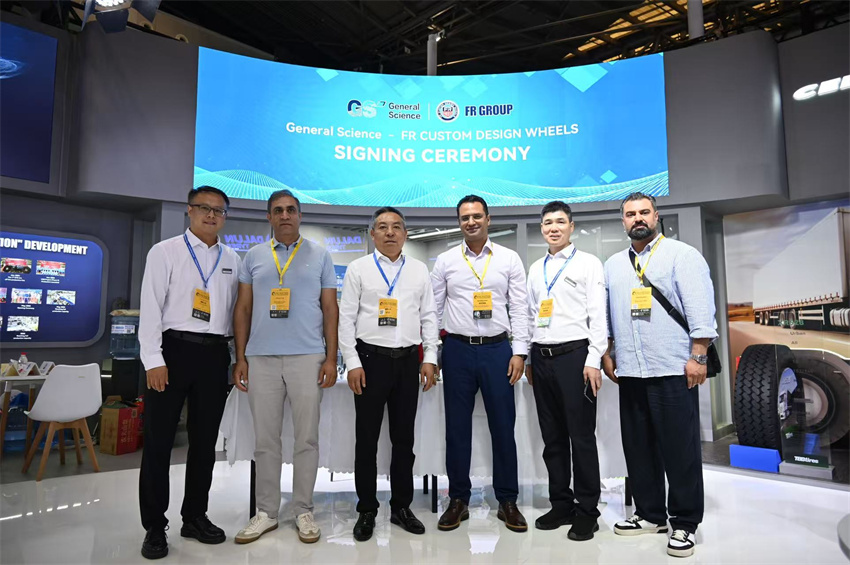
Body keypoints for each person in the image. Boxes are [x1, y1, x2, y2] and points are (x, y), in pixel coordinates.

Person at [602, 192, 717, 558]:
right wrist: (607, 352)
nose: (638, 218)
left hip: (672, 367)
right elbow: (608, 314)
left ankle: (685, 522)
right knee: (638, 448)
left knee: (680, 450)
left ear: (656, 216)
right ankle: (650, 514)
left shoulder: (682, 255)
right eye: (630, 214)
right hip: (631, 370)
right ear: (623, 221)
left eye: (644, 212)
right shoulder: (613, 265)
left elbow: (700, 309)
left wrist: (698, 356)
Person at [138, 186, 240, 560]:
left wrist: (236, 358)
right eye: (204, 208)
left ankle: (195, 516)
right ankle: (154, 526)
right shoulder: (165, 251)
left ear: (225, 217)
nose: (211, 215)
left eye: (218, 210)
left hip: (214, 356)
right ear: (189, 211)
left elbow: (236, 313)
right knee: (159, 443)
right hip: (172, 352)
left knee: (204, 443)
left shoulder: (232, 259)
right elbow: (151, 307)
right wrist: (153, 360)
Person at [232, 190, 338, 544]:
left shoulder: (320, 255)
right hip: (261, 358)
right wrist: (240, 357)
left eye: (291, 210)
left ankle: (303, 509)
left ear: (300, 215)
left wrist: (331, 357)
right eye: (277, 210)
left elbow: (330, 309)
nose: (285, 215)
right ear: (269, 217)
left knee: (306, 438)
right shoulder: (254, 256)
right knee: (266, 441)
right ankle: (266, 512)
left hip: (308, 357)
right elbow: (243, 308)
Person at [338, 206, 439, 541]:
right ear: (372, 234)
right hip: (370, 361)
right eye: (382, 227)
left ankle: (401, 507)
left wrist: (430, 357)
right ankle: (367, 509)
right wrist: (352, 362)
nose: (390, 232)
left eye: (396, 227)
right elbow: (346, 319)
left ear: (406, 234)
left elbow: (429, 316)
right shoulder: (359, 269)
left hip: (408, 361)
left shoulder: (419, 269)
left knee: (403, 440)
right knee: (366, 440)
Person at [431, 195, 530, 533]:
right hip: (457, 350)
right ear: (459, 222)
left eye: (476, 216)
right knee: (457, 429)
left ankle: (507, 500)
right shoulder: (446, 260)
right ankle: (458, 499)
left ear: (488, 218)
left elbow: (520, 308)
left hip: (498, 350)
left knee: (503, 427)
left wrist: (520, 352)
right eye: (464, 218)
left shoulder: (509, 258)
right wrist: (432, 354)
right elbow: (433, 311)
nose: (471, 222)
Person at [525, 201, 607, 541]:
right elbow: (531, 315)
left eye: (560, 222)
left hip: (575, 356)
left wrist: (594, 358)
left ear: (571, 226)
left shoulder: (588, 263)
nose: (553, 228)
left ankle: (588, 511)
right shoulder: (536, 269)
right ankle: (561, 504)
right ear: (542, 229)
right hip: (541, 357)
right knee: (552, 437)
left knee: (581, 437)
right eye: (548, 223)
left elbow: (598, 315)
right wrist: (529, 359)